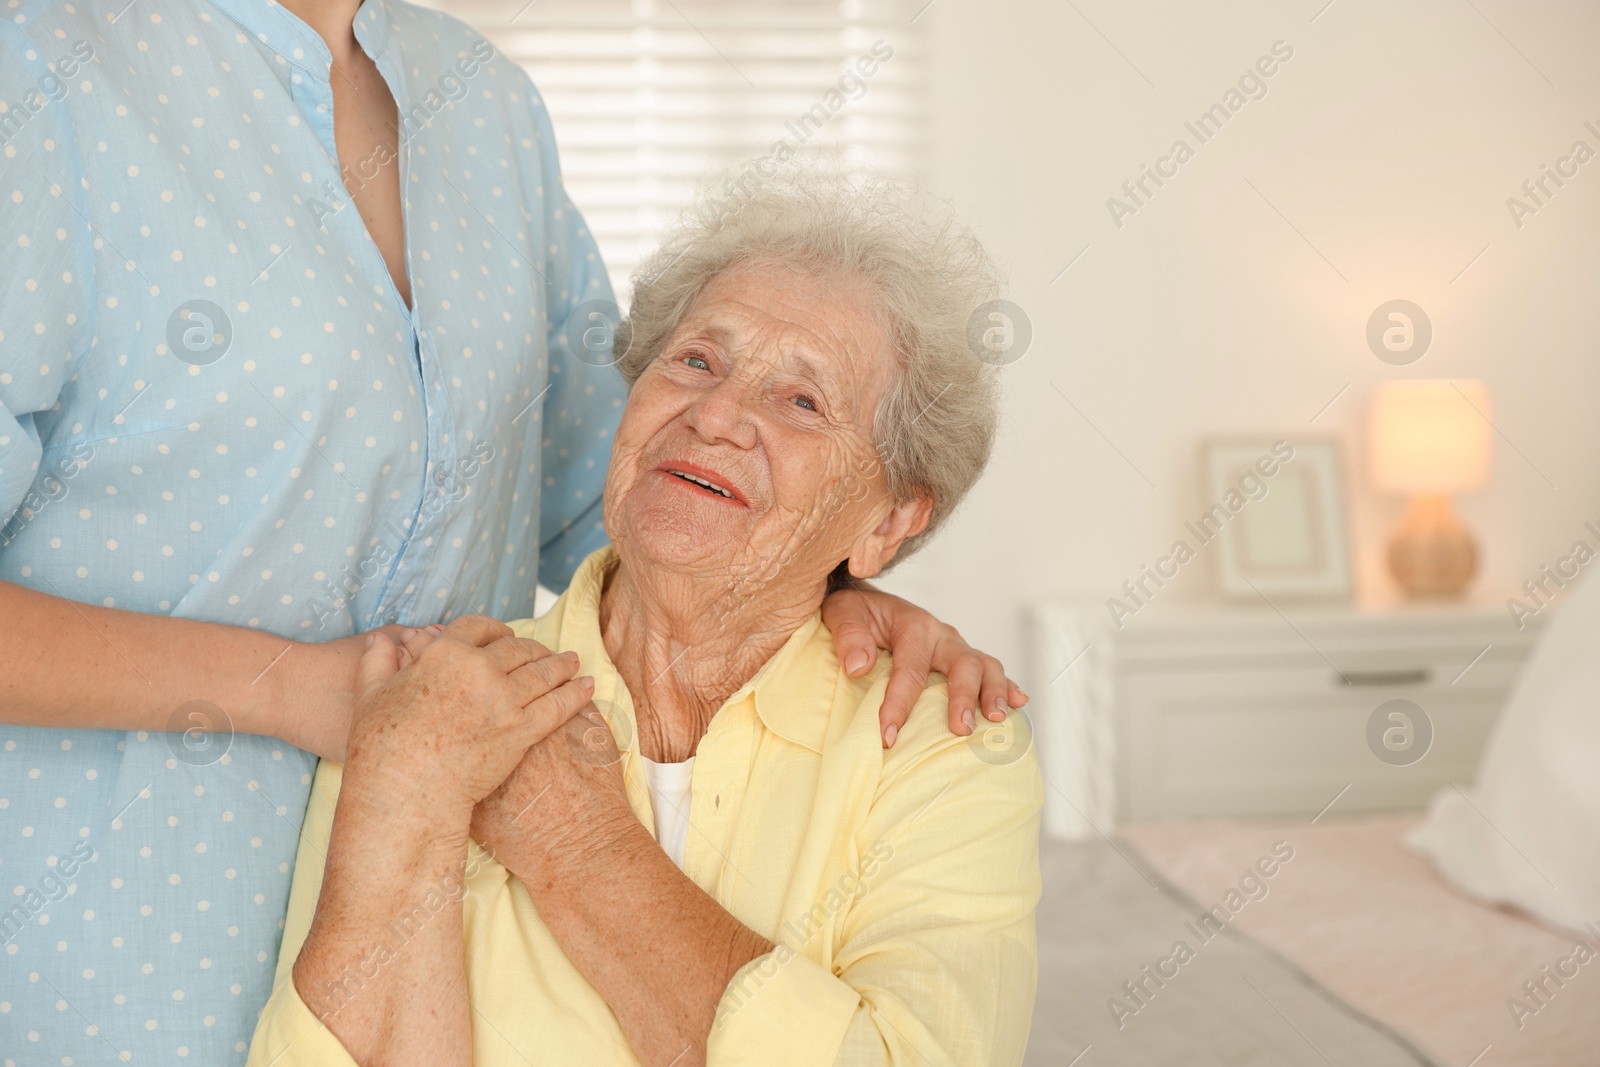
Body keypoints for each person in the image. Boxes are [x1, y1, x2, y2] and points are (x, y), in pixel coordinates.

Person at [0, 3, 1023, 1063]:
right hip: (108, 939)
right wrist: (305, 689)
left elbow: (618, 477)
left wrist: (845, 581)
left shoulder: (482, 100)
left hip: (445, 926)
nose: (726, 403)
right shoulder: (40, 67)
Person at [247, 169, 1043, 1067]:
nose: (716, 413)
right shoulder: (433, 713)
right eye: (697, 359)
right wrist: (406, 779)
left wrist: (578, 841)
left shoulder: (946, 748)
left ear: (890, 520)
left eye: (802, 401)